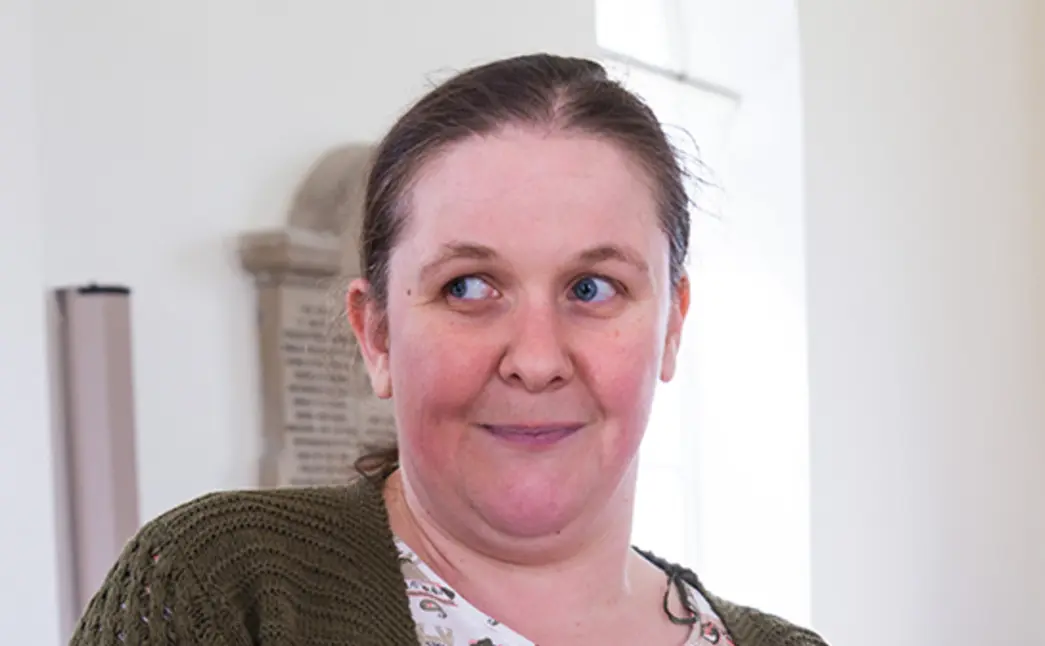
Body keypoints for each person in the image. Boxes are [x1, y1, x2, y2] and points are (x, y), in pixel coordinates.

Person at [69, 53, 828, 646]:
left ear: (671, 326)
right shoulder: (227, 588)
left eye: (592, 288)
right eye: (470, 287)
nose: (535, 359)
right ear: (377, 336)